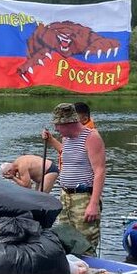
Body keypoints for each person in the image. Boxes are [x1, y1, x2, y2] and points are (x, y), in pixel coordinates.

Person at [42, 102, 106, 254]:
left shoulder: (91, 137)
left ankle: (92, 272)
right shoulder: (66, 138)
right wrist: (51, 140)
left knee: (85, 244)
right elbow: (67, 154)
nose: (56, 128)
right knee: (65, 240)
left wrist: (93, 203)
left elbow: (100, 170)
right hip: (65, 196)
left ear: (69, 123)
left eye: (58, 125)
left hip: (83, 197)